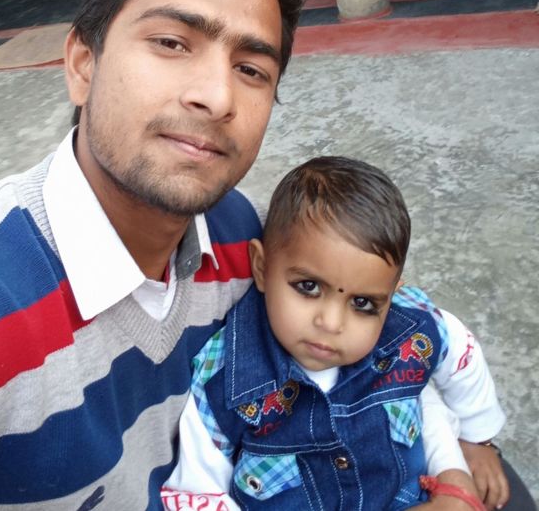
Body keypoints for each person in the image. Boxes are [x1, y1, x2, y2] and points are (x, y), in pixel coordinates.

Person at [0, 0, 533, 510]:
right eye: (172, 42)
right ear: (83, 64)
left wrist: (457, 466)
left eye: (252, 69)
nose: (217, 96)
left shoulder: (242, 238)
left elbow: (389, 355)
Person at [160, 157, 510, 511]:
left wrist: (477, 439)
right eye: (308, 287)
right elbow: (198, 493)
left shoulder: (411, 329)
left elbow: (462, 354)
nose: (330, 323)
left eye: (363, 303)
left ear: (391, 296)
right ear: (262, 267)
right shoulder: (224, 381)